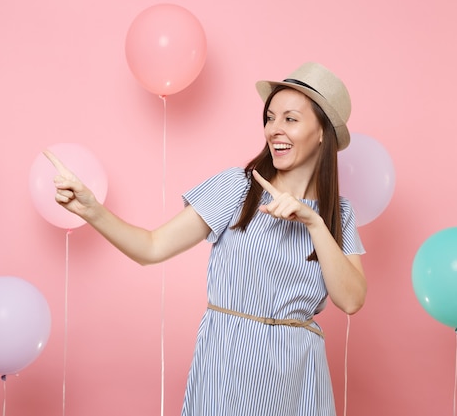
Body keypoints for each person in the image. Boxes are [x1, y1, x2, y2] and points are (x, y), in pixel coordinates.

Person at [44, 61, 366, 416]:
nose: (275, 129)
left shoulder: (339, 214)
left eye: (290, 119)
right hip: (230, 364)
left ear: (323, 131)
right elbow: (152, 247)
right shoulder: (237, 188)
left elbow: (351, 300)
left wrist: (314, 223)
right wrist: (90, 210)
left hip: (299, 375)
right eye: (270, 117)